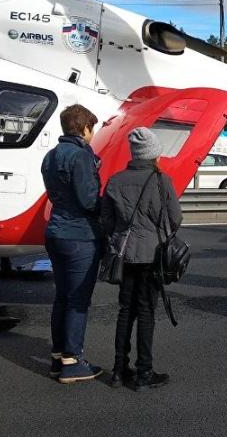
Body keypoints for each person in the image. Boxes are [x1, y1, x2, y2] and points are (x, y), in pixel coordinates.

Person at [100, 127, 182, 390]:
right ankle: (144, 370)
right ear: (153, 154)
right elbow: (175, 218)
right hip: (152, 255)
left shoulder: (115, 181)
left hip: (124, 255)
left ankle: (118, 369)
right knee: (146, 311)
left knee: (126, 311)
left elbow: (107, 221)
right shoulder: (161, 180)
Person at [41, 104, 104, 384]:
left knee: (62, 297)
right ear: (85, 128)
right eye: (93, 128)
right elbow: (89, 200)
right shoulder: (80, 157)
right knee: (78, 301)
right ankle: (73, 360)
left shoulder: (50, 156)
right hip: (79, 235)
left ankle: (58, 356)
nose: (93, 134)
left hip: (55, 231)